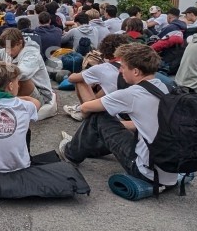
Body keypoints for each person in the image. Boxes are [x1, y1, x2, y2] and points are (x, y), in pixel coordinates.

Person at [58, 43, 182, 197]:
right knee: (113, 125)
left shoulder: (133, 94)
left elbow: (85, 108)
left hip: (145, 171)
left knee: (99, 116)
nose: (120, 70)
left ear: (135, 71)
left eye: (123, 67)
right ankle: (89, 146)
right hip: (171, 168)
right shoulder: (165, 88)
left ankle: (70, 153)